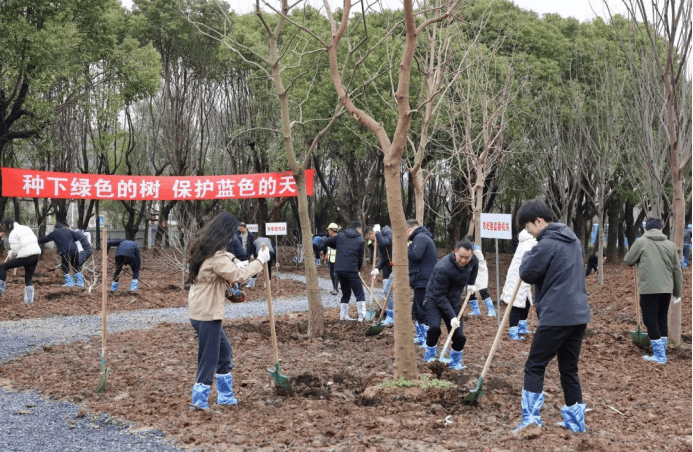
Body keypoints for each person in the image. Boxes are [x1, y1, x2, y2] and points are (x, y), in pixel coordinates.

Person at [513, 199, 591, 433]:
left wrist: (528, 255)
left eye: (529, 228)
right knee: (569, 368)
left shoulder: (546, 244)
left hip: (557, 316)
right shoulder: (573, 240)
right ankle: (576, 422)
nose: (530, 234)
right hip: (579, 315)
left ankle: (530, 420)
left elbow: (527, 273)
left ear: (539, 221)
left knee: (535, 366)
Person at [187, 212, 270, 410]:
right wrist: (260, 261)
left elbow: (227, 259)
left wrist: (236, 260)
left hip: (203, 310)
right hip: (207, 313)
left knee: (224, 353)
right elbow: (238, 276)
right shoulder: (215, 256)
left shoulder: (206, 247)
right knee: (209, 358)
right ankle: (199, 401)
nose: (234, 235)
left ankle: (225, 396)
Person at [624, 217, 682, 365]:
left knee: (650, 320)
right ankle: (662, 351)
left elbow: (628, 260)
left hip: (649, 288)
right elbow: (677, 269)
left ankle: (660, 356)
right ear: (661, 229)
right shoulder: (670, 245)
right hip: (666, 288)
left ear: (645, 229)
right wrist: (677, 292)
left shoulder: (641, 242)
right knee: (661, 318)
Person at [422, 240, 478, 370]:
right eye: (461, 257)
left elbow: (474, 267)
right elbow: (439, 296)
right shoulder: (443, 268)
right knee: (434, 328)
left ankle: (455, 361)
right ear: (455, 251)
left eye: (467, 258)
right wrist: (452, 316)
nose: (464, 260)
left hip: (454, 299)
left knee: (459, 336)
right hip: (434, 298)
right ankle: (430, 356)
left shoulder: (473, 259)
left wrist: (471, 283)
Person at [321, 221, 366, 321]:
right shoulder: (360, 240)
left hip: (339, 269)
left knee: (346, 292)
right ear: (358, 229)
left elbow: (325, 242)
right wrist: (357, 270)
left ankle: (343, 315)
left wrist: (338, 246)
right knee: (359, 293)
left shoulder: (340, 236)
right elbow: (360, 258)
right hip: (351, 268)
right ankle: (362, 316)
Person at [500, 228, 537, 340]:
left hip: (521, 276)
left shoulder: (524, 241)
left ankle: (521, 329)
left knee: (525, 303)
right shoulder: (531, 243)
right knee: (516, 304)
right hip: (519, 276)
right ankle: (514, 331)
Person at [407, 219, 437, 346]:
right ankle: (420, 336)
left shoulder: (421, 237)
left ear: (408, 229)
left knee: (422, 310)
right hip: (421, 279)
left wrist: (406, 247)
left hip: (423, 280)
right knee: (417, 310)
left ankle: (426, 340)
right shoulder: (421, 237)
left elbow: (416, 255)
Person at [38, 222, 92, 287]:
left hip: (66, 251)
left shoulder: (55, 233)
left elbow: (46, 239)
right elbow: (77, 237)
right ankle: (80, 283)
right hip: (75, 250)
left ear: (55, 228)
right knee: (76, 266)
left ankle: (70, 283)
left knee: (64, 267)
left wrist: (36, 241)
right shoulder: (69, 231)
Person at [0, 218, 41, 304]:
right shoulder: (25, 228)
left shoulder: (13, 233)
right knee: (28, 278)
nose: (5, 230)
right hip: (35, 255)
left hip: (25, 256)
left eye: (5, 227)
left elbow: (16, 251)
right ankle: (29, 301)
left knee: (2, 266)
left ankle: (0, 290)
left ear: (9, 226)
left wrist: (10, 253)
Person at [366, 223, 394, 325]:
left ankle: (391, 316)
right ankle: (390, 314)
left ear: (372, 233)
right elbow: (384, 257)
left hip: (397, 266)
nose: (371, 240)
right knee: (388, 293)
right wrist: (377, 268)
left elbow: (385, 243)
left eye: (370, 237)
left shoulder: (387, 232)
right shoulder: (380, 237)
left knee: (389, 293)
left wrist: (378, 232)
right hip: (390, 267)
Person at [463, 235, 496, 317]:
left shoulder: (476, 250)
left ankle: (491, 310)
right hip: (472, 272)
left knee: (483, 290)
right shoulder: (468, 250)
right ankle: (475, 309)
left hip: (480, 272)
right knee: (470, 291)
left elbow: (476, 262)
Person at [320, 223, 340, 295]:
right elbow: (324, 248)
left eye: (329, 230)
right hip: (330, 259)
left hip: (338, 259)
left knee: (335, 274)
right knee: (332, 274)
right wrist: (325, 255)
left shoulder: (339, 239)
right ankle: (335, 288)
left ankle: (335, 288)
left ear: (332, 230)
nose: (328, 231)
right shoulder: (328, 239)